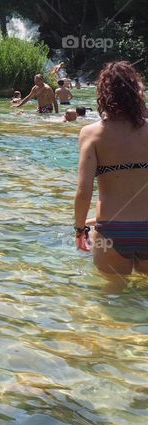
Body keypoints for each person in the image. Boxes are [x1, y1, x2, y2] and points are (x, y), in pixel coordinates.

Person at [74, 61, 148, 286]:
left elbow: (84, 191)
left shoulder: (92, 134)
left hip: (112, 231)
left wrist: (80, 229)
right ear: (137, 92)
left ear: (103, 94)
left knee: (111, 300)